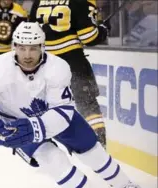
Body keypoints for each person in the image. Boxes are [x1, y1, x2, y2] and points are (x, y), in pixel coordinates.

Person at [0, 22, 150, 188]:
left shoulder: (58, 68)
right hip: (16, 121)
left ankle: (125, 185)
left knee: (92, 150)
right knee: (53, 159)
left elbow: (62, 111)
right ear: (14, 47)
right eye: (22, 48)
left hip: (55, 115)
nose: (27, 54)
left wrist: (35, 127)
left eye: (33, 48)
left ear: (42, 47)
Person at [29, 0, 110, 148]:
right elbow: (89, 37)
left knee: (44, 103)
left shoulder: (39, 2)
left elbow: (29, 31)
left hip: (45, 62)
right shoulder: (78, 1)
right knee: (87, 102)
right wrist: (103, 30)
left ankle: (45, 143)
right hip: (72, 60)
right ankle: (98, 145)